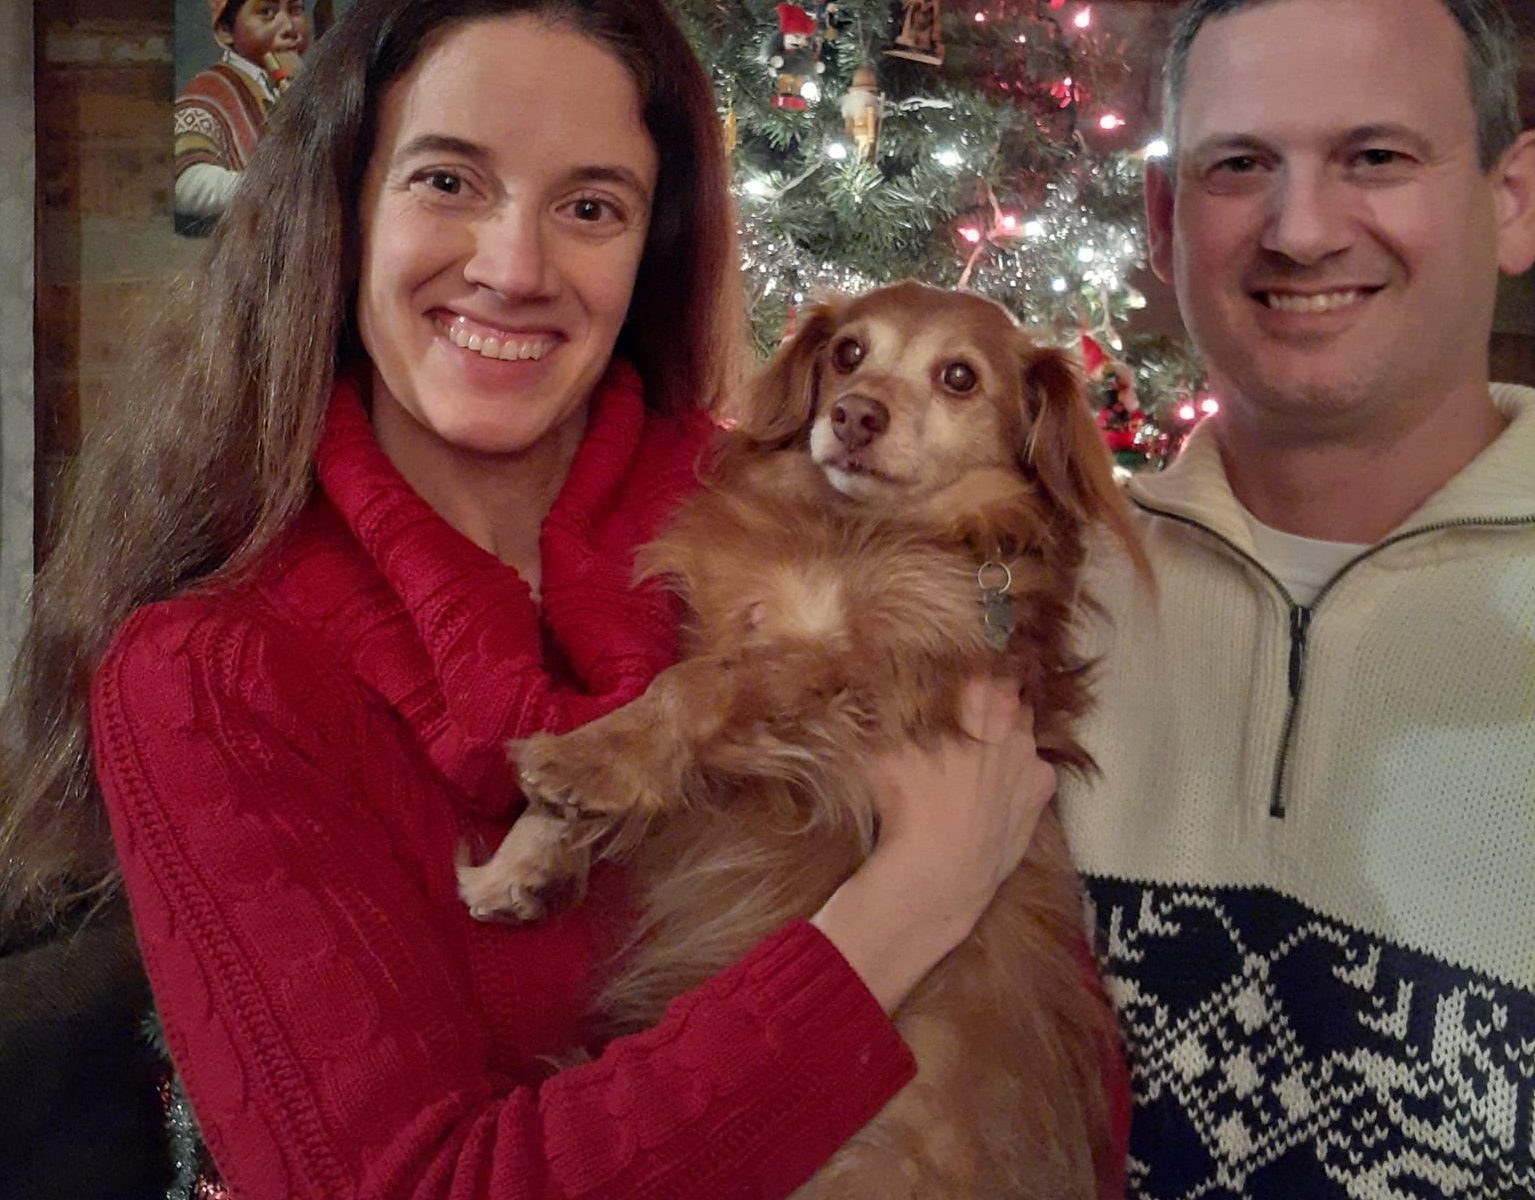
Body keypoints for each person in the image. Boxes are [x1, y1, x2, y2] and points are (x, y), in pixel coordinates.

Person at [0, 0, 1105, 1196]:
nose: (514, 270)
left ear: (649, 244)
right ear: (341, 209)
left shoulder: (774, 517)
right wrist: (911, 900)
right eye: (447, 182)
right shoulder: (208, 677)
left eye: (589, 207)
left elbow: (1046, 1045)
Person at [1057, 0, 1535, 1195]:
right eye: (1238, 166)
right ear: (1165, 223)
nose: (1301, 230)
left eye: (1373, 156)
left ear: (1510, 199)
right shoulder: (1031, 600)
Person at [173, 0, 309, 234]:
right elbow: (186, 186)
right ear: (225, 31)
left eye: (296, 10)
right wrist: (274, 187)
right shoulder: (207, 91)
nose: (289, 27)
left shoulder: (299, 90)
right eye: (266, 12)